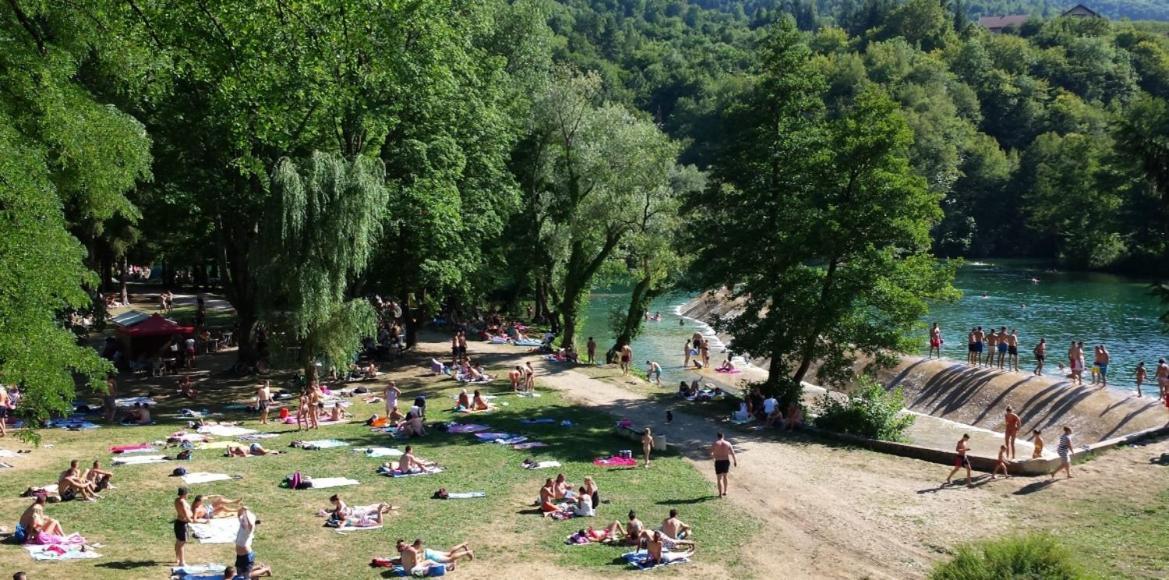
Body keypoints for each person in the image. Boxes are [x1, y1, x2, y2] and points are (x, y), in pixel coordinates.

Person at [234, 505, 259, 580]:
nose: (244, 521)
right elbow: (239, 514)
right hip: (239, 555)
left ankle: (265, 569)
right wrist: (242, 509)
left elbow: (251, 524)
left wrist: (246, 513)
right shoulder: (242, 525)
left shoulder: (249, 530)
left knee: (247, 576)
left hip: (247, 556)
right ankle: (260, 568)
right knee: (239, 574)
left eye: (245, 520)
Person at [711, 432, 737, 497]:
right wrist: (735, 461)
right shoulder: (728, 443)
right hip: (726, 461)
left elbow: (711, 453)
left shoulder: (715, 443)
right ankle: (725, 491)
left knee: (719, 478)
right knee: (725, 476)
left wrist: (714, 457)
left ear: (717, 436)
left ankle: (720, 494)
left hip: (718, 461)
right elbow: (733, 453)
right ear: (723, 436)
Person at [174, 487, 194, 568]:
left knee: (178, 541)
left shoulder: (177, 500)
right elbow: (185, 512)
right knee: (182, 543)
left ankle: (177, 558)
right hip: (182, 523)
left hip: (178, 522)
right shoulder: (182, 502)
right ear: (185, 493)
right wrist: (191, 520)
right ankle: (182, 562)